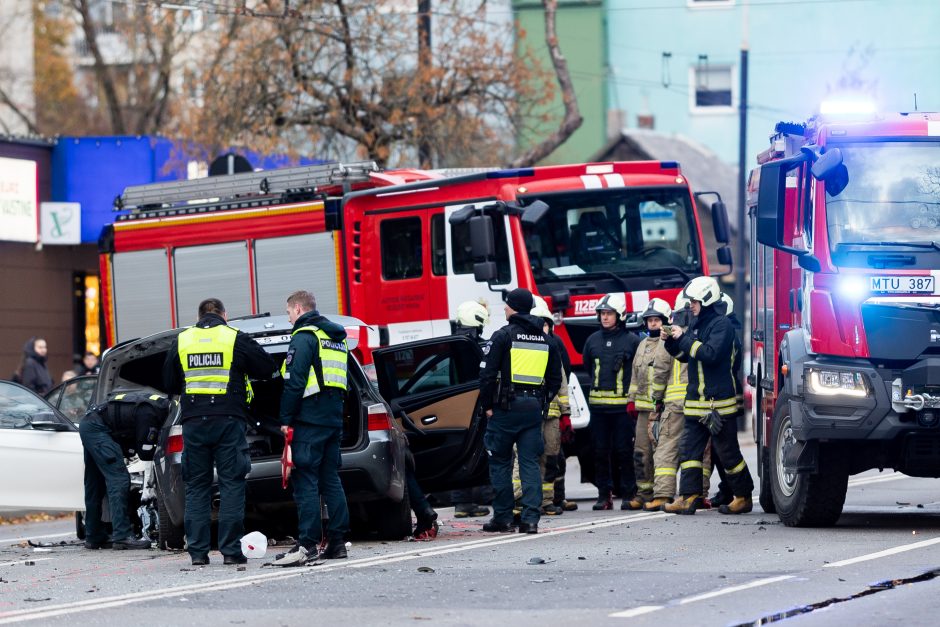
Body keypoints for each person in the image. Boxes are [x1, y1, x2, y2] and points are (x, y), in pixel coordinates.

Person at [163, 298, 276, 566]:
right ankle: (230, 551)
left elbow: (168, 382)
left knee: (197, 487)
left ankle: (198, 554)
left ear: (199, 316)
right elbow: (267, 368)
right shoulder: (234, 337)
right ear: (224, 315)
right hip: (228, 421)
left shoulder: (183, 339)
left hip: (194, 424)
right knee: (232, 484)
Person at [663, 277, 754, 515]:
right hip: (695, 403)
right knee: (689, 452)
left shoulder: (722, 325)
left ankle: (743, 496)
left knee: (727, 453)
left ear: (706, 299)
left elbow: (710, 354)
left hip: (718, 404)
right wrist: (671, 342)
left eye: (694, 301)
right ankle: (689, 496)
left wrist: (683, 338)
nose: (691, 305)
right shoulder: (696, 325)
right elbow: (686, 355)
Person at [274, 290, 352, 565]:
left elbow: (296, 381)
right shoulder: (334, 337)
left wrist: (285, 418)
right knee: (330, 479)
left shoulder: (305, 336)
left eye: (288, 312)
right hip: (333, 417)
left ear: (297, 308)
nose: (289, 318)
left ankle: (307, 543)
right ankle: (338, 542)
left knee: (305, 479)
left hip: (309, 419)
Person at [479, 288, 561, 535]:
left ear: (514, 307)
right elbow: (555, 379)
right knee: (530, 464)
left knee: (501, 462)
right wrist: (541, 401)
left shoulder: (503, 336)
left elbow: (486, 375)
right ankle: (530, 520)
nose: (504, 309)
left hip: (505, 409)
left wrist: (488, 407)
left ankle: (503, 518)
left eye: (506, 305)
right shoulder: (546, 339)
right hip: (533, 410)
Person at [79, 391, 170, 550]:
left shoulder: (153, 406)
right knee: (119, 479)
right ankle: (122, 536)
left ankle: (94, 536)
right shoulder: (151, 412)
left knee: (95, 483)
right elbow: (144, 452)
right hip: (97, 429)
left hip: (90, 424)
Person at [581, 293, 641, 510]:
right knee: (599, 452)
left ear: (620, 315)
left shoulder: (632, 341)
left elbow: (637, 372)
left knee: (624, 451)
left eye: (609, 314)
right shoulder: (592, 340)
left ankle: (628, 494)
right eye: (602, 314)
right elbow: (588, 366)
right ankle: (603, 496)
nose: (605, 318)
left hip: (622, 409)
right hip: (598, 409)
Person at [512, 296, 570, 516]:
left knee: (550, 456)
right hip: (529, 411)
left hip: (551, 413)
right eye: (540, 322)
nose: (542, 327)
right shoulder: (521, 346)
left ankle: (546, 500)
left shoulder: (553, 346)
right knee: (525, 455)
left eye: (546, 323)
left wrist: (566, 414)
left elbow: (562, 382)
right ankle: (520, 498)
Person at [624, 298, 674, 510]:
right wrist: (631, 400)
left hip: (660, 408)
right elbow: (635, 374)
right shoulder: (642, 344)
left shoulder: (668, 343)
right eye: (650, 320)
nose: (652, 324)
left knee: (660, 453)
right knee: (641, 452)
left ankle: (661, 493)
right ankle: (644, 493)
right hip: (643, 410)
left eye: (657, 320)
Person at [646, 293, 692, 511]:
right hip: (697, 401)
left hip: (674, 404)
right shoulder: (700, 333)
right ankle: (696, 494)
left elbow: (660, 369)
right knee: (698, 450)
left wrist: (656, 400)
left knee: (667, 447)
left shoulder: (669, 334)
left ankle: (663, 495)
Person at [450, 300, 492, 519]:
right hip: (480, 405)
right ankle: (483, 496)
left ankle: (462, 502)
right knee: (483, 450)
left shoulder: (452, 344)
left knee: (462, 452)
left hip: (456, 406)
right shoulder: (480, 346)